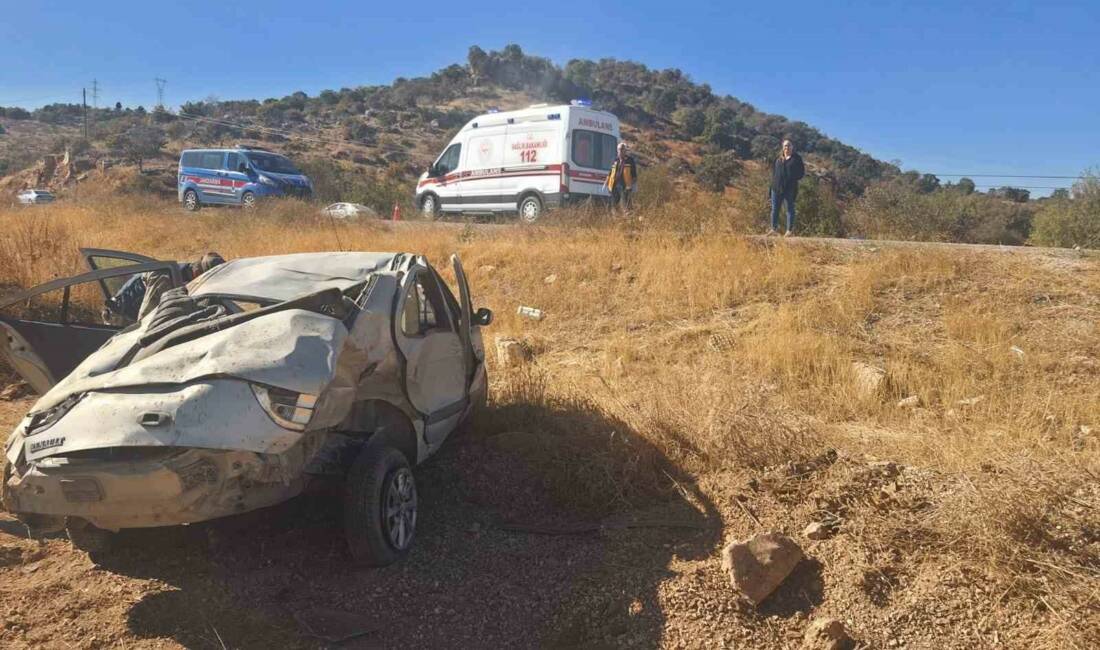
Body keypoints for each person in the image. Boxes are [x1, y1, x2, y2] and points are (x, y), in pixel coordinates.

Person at [102, 252, 226, 325]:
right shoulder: (164, 276)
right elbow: (147, 320)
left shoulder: (182, 274)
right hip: (119, 317)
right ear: (199, 272)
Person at [769, 139, 805, 236]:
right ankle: (773, 229)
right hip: (776, 188)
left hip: (789, 189)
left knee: (789, 210)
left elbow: (801, 173)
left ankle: (789, 231)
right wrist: (771, 187)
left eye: (789, 145)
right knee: (775, 209)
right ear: (782, 147)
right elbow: (774, 174)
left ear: (792, 147)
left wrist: (792, 179)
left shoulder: (796, 159)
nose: (787, 147)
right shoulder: (778, 159)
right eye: (785, 145)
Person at [605, 142, 638, 212]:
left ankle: (629, 217)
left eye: (622, 149)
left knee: (626, 204)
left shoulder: (630, 160)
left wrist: (632, 185)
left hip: (625, 185)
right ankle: (615, 218)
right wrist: (607, 182)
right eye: (619, 149)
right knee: (614, 204)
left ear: (625, 151)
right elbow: (611, 172)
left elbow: (634, 174)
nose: (620, 151)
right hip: (615, 184)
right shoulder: (615, 160)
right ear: (617, 150)